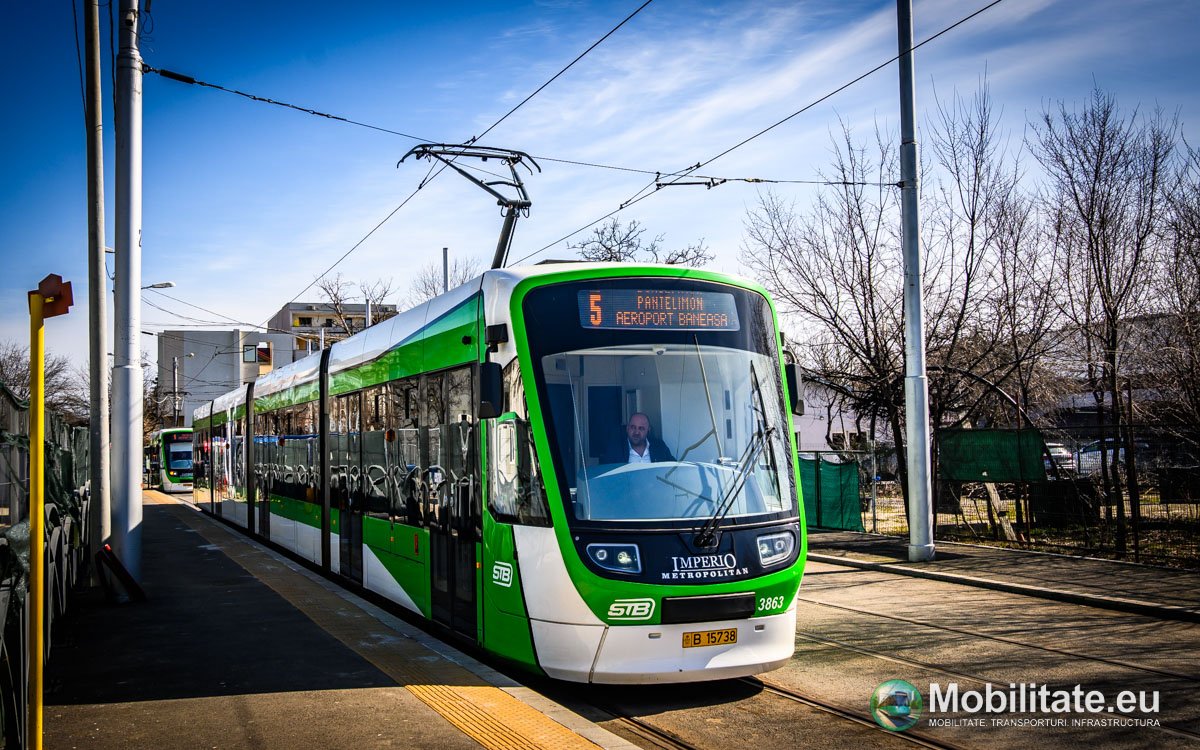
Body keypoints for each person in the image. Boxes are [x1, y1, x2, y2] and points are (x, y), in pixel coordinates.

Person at [601, 412, 676, 464]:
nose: (636, 432)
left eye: (641, 428)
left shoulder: (659, 446)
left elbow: (674, 468)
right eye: (633, 427)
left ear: (648, 430)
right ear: (627, 428)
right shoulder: (615, 449)